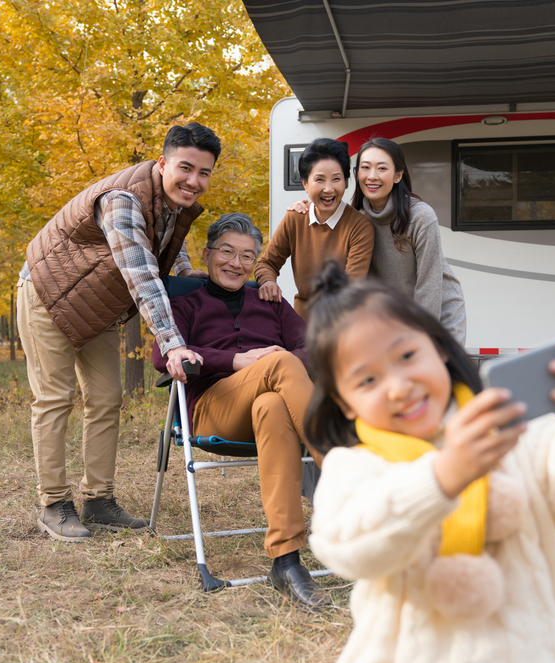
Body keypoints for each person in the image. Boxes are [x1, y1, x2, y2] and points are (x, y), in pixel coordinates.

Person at [302, 261, 555, 663]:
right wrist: (443, 476)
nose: (399, 386)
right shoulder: (356, 466)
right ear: (345, 403)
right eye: (367, 380)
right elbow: (347, 545)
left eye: (407, 356)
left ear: (438, 347)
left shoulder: (512, 430)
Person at [18, 123, 220, 543]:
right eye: (185, 168)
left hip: (96, 302)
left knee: (107, 398)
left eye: (204, 173)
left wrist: (185, 271)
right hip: (48, 293)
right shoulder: (122, 201)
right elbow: (143, 276)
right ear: (162, 162)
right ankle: (54, 504)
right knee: (55, 398)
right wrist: (174, 344)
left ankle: (99, 500)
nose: (194, 181)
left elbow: (166, 240)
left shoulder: (172, 200)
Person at [152, 213, 331, 609]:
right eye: (227, 252)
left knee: (271, 401)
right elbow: (159, 356)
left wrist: (275, 358)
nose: (236, 263)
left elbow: (313, 346)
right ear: (207, 253)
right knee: (281, 363)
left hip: (273, 411)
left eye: (247, 256)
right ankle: (345, 473)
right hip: (216, 408)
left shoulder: (269, 301)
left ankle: (285, 561)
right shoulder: (185, 304)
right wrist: (237, 361)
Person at [289, 138, 467, 342]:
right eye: (365, 167)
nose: (372, 176)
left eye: (382, 168)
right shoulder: (355, 217)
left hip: (436, 316)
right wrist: (304, 206)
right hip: (391, 319)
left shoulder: (420, 217)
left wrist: (421, 338)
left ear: (398, 175)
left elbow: (429, 286)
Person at [255, 138, 374, 319]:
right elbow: (266, 263)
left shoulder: (360, 227)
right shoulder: (295, 218)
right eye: (319, 179)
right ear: (305, 183)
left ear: (346, 182)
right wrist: (268, 282)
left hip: (342, 322)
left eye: (336, 179)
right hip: (300, 324)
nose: (329, 189)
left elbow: (351, 287)